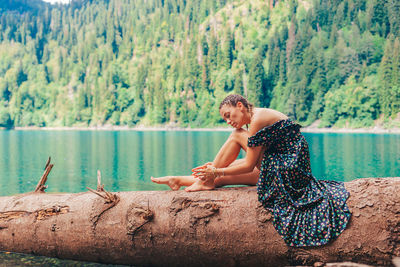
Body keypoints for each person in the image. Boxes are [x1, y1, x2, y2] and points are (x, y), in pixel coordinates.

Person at [151, 94, 351, 247]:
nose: (228, 121)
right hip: (286, 169)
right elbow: (248, 162)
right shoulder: (256, 119)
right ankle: (179, 179)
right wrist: (218, 170)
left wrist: (217, 169)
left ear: (240, 105)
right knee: (224, 175)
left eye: (229, 115)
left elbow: (248, 165)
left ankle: (206, 180)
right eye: (225, 119)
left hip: (289, 170)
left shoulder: (257, 120)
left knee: (236, 136)